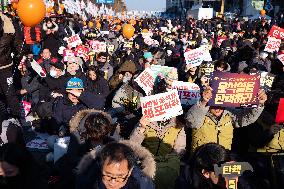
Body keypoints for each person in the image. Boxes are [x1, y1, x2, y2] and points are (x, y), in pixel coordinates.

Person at [186, 86, 267, 153]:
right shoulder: (200, 111)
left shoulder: (229, 113)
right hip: (201, 160)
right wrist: (203, 102)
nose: (217, 108)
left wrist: (258, 104)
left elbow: (247, 118)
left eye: (221, 104)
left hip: (223, 159)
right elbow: (192, 122)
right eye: (214, 104)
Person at [52, 109, 115, 188]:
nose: (98, 140)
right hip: (80, 165)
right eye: (95, 138)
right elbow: (71, 157)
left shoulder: (110, 132)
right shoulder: (77, 135)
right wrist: (90, 157)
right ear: (88, 132)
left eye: (101, 138)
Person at [76, 141, 155, 189]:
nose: (112, 182)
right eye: (107, 175)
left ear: (130, 171)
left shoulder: (143, 185)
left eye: (120, 177)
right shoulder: (86, 180)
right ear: (101, 166)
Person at [0, 12, 22, 117]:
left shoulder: (9, 23)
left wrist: (19, 55)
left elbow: (18, 44)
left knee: (10, 93)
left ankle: (16, 117)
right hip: (6, 63)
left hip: (5, 66)